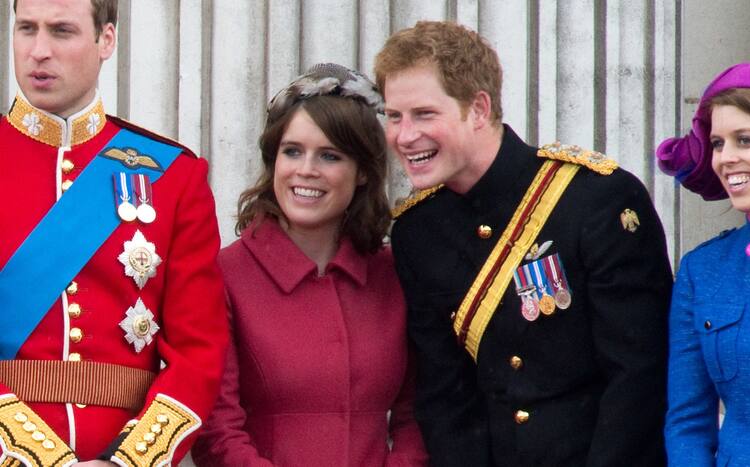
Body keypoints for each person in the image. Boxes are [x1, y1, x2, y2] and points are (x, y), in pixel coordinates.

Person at [374, 20, 674, 466]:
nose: (403, 135)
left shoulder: (596, 198)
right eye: (393, 116)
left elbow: (638, 377)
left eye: (423, 114)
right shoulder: (419, 229)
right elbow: (444, 397)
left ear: (478, 108)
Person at [0, 0, 228, 465]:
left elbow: (198, 353)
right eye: (26, 29)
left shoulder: (173, 176)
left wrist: (125, 462)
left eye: (61, 31)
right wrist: (37, 457)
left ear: (107, 40)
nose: (38, 51)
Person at [190, 63, 429, 467]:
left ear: (363, 175)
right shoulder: (224, 275)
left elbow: (417, 414)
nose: (306, 170)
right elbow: (217, 428)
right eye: (292, 151)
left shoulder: (396, 274)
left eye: (330, 156)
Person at [658, 63, 750, 466]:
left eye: (745, 140)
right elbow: (687, 420)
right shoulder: (701, 270)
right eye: (719, 144)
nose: (726, 158)